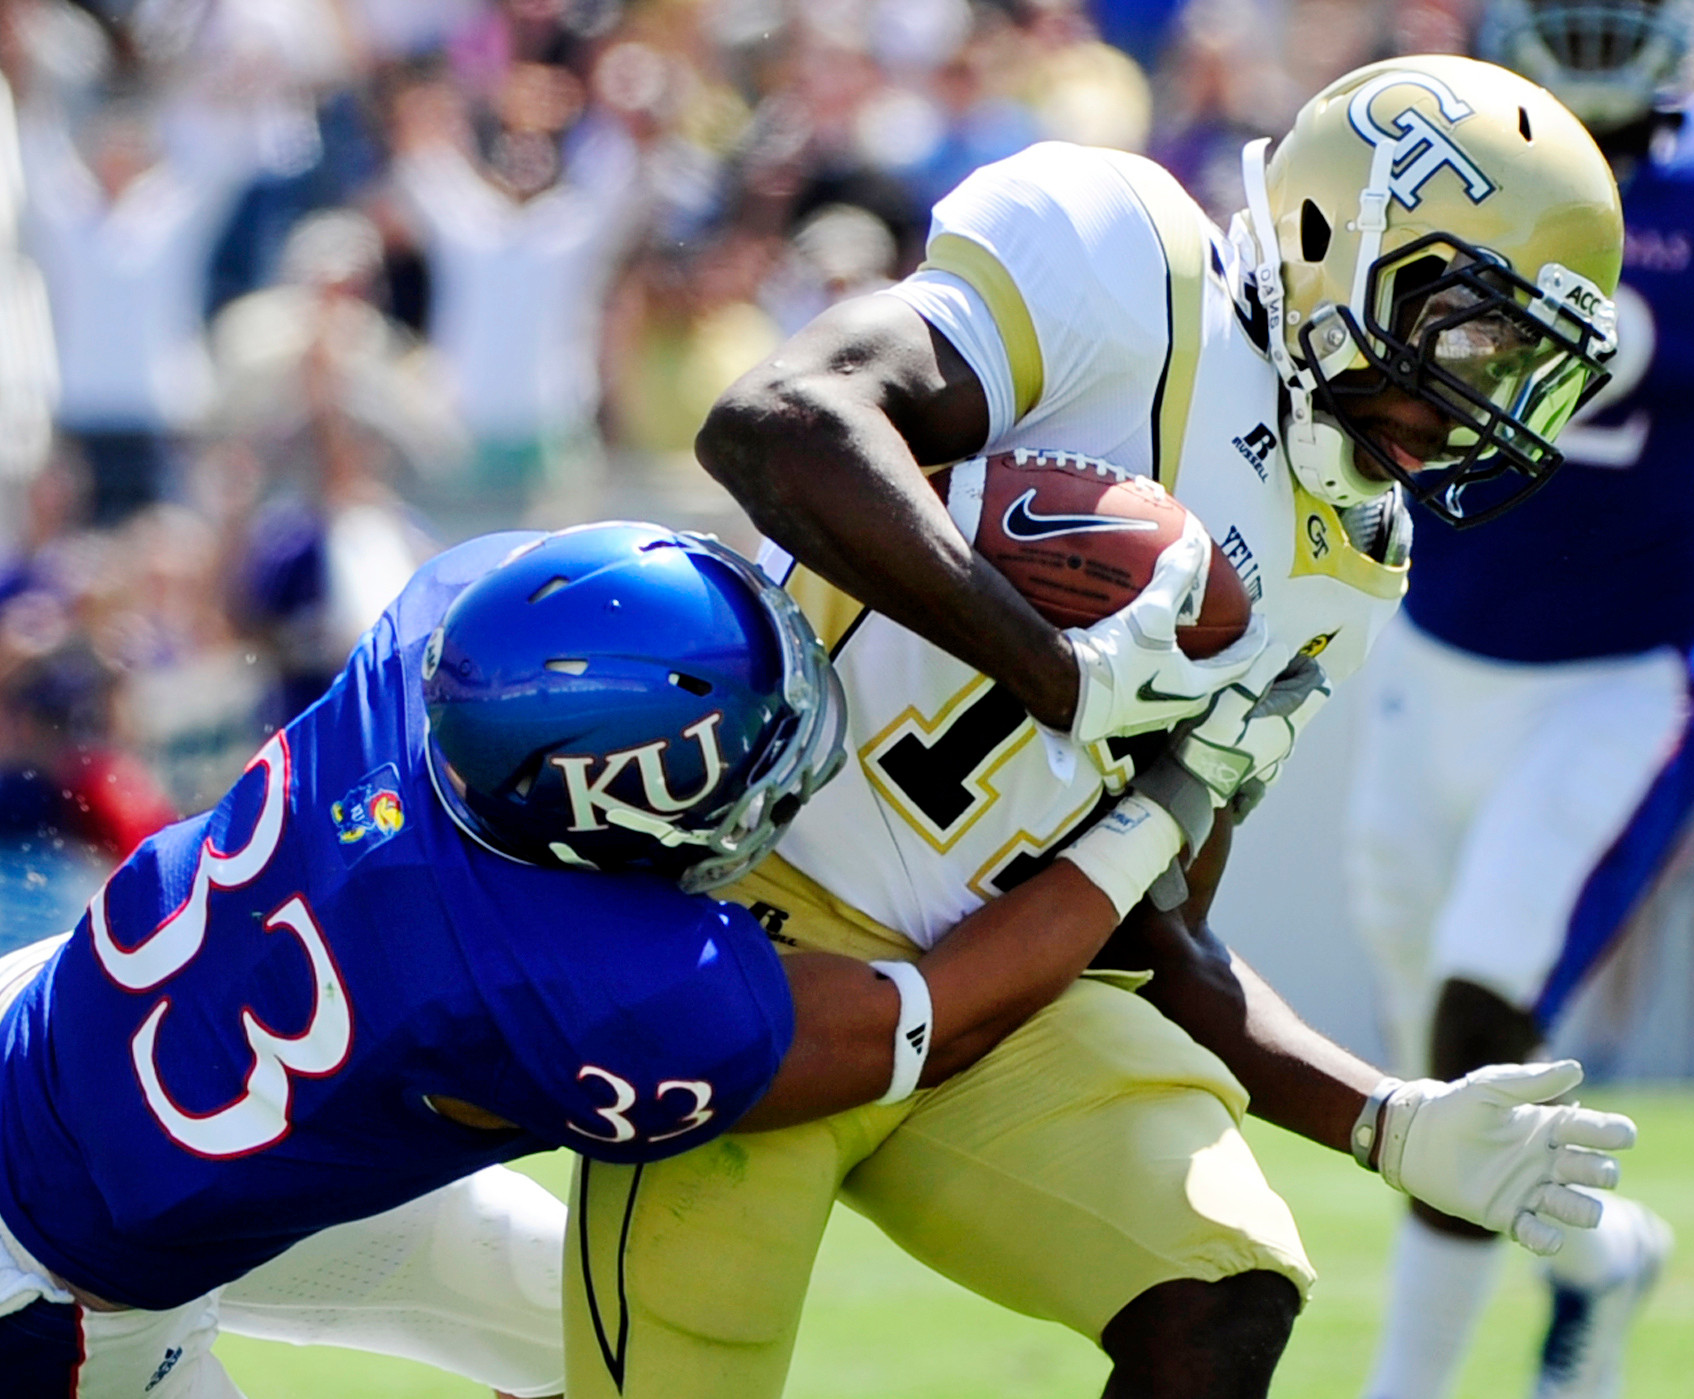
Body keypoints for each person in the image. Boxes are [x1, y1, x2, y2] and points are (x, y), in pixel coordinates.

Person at [557, 55, 1634, 1399]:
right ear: (1338, 232)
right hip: (753, 935)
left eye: (1528, 359)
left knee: (1222, 1295)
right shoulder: (1132, 262)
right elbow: (779, 424)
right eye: (1475, 330)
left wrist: (1382, 1118)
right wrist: (1054, 672)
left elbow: (1147, 921)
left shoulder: (1354, 553)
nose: (1488, 388)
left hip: (1005, 997)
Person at [0, 519, 1309, 1399]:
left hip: (50, 1044)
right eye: (751, 782)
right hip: (23, 1287)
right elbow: (933, 1017)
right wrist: (1152, 818)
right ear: (603, 810)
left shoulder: (452, 631)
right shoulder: (585, 979)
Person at [1349, 5, 1694, 1398]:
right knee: (1433, 1082)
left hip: (1616, 685)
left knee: (1471, 1038)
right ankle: (1598, 1257)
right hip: (1425, 662)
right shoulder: (1448, 153)